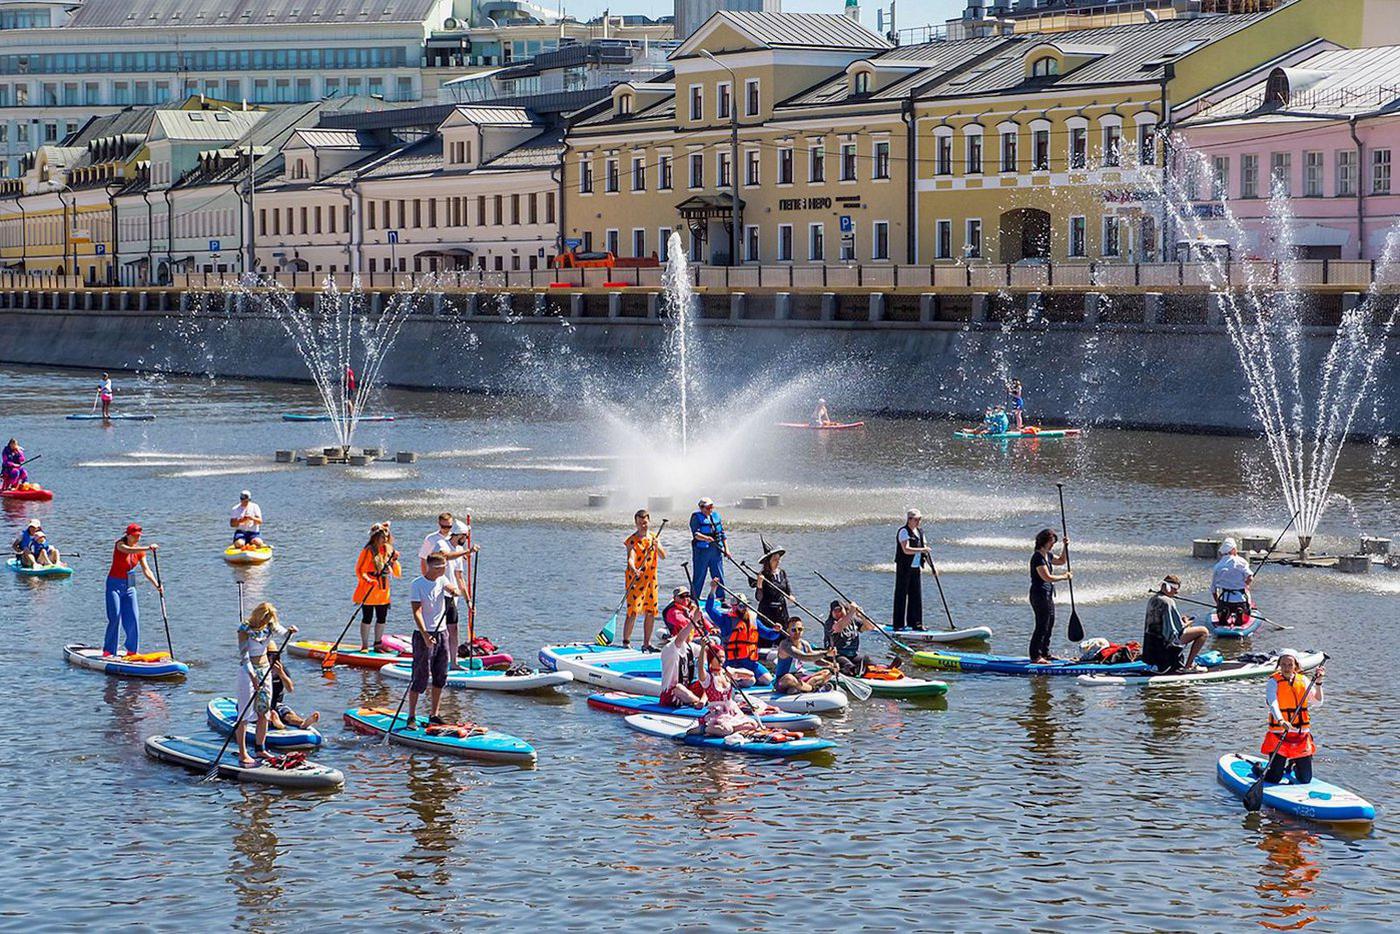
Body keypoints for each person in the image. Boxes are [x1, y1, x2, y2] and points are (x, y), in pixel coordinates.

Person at [405, 553, 460, 729]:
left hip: (441, 632)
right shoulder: (417, 584)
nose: (445, 569)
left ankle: (434, 715)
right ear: (434, 567)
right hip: (424, 635)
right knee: (420, 677)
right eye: (443, 566)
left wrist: (454, 591)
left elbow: (451, 587)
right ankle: (411, 717)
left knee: (440, 675)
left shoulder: (442, 580)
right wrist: (425, 636)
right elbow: (417, 612)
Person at [236, 602, 295, 767]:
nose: (267, 623)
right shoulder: (244, 629)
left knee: (264, 711)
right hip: (248, 671)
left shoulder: (270, 625)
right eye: (265, 619)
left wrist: (290, 631)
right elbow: (244, 656)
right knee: (245, 713)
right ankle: (243, 753)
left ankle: (260, 748)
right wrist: (253, 678)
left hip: (265, 669)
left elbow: (283, 632)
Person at [1261, 649, 1324, 785]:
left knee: (1305, 779)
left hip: (1301, 735)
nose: (1286, 668)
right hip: (1280, 733)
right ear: (1279, 665)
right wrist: (1281, 720)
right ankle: (1262, 770)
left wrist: (1318, 683)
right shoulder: (1273, 681)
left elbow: (1318, 702)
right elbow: (1273, 702)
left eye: (1290, 665)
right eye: (1283, 665)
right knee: (1274, 778)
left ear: (1295, 665)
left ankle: (1293, 764)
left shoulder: (1303, 681)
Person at [704, 580, 778, 686]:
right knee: (750, 681)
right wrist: (713, 590)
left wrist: (776, 630)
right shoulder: (725, 620)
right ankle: (733, 684)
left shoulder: (753, 620)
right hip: (733, 663)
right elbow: (709, 609)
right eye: (739, 606)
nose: (742, 609)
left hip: (750, 662)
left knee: (768, 680)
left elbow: (769, 635)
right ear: (733, 607)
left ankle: (745, 679)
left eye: (744, 606)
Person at [104, 523, 161, 657]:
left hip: (130, 586)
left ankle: (131, 651)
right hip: (114, 584)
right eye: (135, 536)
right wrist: (148, 548)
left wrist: (157, 585)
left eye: (139, 536)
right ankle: (109, 651)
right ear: (128, 535)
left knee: (133, 618)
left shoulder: (140, 551)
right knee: (115, 616)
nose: (137, 539)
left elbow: (147, 570)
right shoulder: (119, 545)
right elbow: (128, 551)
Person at [1142, 575, 1209, 672]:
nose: (1177, 592)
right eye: (1176, 588)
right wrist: (1187, 623)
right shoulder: (1168, 602)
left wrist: (1182, 621)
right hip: (1165, 645)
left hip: (1151, 646)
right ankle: (1188, 666)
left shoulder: (1153, 599)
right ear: (1169, 587)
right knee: (1203, 631)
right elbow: (1176, 629)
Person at [622, 509, 667, 651]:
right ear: (636, 523)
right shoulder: (632, 540)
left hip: (651, 580)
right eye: (640, 523)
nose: (643, 526)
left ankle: (646, 643)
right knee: (633, 611)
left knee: (650, 611)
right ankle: (626, 642)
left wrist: (656, 546)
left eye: (645, 523)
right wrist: (634, 568)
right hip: (635, 580)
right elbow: (631, 557)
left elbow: (663, 556)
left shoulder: (654, 538)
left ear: (649, 522)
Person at [353, 523, 401, 652]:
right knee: (367, 617)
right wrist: (368, 579)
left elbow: (397, 573)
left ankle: (378, 643)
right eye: (382, 537)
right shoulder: (368, 550)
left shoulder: (389, 550)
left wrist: (394, 561)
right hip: (369, 589)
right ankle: (364, 644)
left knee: (382, 617)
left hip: (383, 590)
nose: (384, 540)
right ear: (375, 538)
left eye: (386, 537)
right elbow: (360, 570)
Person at [1028, 527, 1070, 664]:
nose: (1053, 545)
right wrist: (1064, 577)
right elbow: (1046, 577)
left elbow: (1062, 561)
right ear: (1044, 541)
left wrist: (1065, 546)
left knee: (1049, 623)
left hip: (1047, 595)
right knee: (1041, 625)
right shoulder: (1037, 557)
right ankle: (1035, 656)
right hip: (1039, 595)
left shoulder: (1048, 555)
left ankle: (1045, 653)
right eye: (1051, 542)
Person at [438, 521, 475, 668]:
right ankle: (437, 661)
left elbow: (460, 577)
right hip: (440, 594)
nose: (466, 540)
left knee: (454, 629)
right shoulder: (442, 544)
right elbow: (446, 556)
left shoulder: (460, 550)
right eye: (465, 536)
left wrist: (468, 601)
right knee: (440, 629)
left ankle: (453, 662)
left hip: (453, 597)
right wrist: (467, 552)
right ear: (459, 535)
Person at [772, 617, 836, 695]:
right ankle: (812, 688)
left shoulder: (804, 644)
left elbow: (815, 660)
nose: (797, 632)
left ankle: (802, 688)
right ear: (788, 630)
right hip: (783, 681)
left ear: (803, 630)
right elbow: (803, 657)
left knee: (827, 672)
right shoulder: (785, 645)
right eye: (793, 630)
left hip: (800, 678)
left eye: (799, 629)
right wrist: (826, 653)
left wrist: (831, 665)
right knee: (789, 678)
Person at [267, 639, 319, 732]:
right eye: (269, 656)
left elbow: (290, 689)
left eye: (275, 656)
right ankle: (275, 723)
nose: (272, 659)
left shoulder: (282, 670)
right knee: (269, 714)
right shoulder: (258, 670)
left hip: (276, 703)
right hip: (261, 703)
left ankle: (302, 723)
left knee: (288, 714)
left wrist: (281, 673)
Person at [893, 509, 931, 632]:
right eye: (916, 519)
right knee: (901, 595)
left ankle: (916, 624)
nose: (918, 521)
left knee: (916, 596)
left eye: (920, 519)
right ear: (909, 519)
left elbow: (925, 551)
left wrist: (932, 568)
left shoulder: (920, 532)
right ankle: (898, 625)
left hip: (915, 568)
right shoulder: (903, 531)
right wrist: (922, 550)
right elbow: (906, 549)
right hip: (904, 568)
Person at [824, 599, 878, 677]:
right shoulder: (830, 623)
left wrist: (862, 616)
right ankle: (854, 670)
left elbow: (870, 627)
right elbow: (838, 628)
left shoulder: (854, 621)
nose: (837, 613)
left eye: (839, 610)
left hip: (853, 655)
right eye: (834, 611)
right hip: (836, 655)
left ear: (845, 610)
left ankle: (879, 670)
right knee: (846, 664)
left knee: (868, 660)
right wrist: (852, 611)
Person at [658, 614, 703, 708]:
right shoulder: (670, 647)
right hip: (671, 694)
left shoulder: (690, 646)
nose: (691, 633)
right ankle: (698, 701)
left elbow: (705, 651)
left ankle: (704, 701)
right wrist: (694, 620)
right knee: (678, 688)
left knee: (705, 682)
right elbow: (679, 640)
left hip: (687, 689)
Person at [750, 537, 792, 638]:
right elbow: (759, 598)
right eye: (775, 560)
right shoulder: (763, 575)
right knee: (768, 636)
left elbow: (787, 589)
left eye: (779, 559)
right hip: (767, 611)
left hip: (781, 611)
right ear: (768, 562)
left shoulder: (782, 573)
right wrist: (759, 584)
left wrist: (790, 596)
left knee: (784, 635)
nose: (778, 562)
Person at [1212, 538, 1254, 630]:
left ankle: (1224, 613)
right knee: (1245, 618)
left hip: (1224, 600)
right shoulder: (1241, 561)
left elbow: (1213, 590)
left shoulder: (1217, 566)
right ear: (1233, 550)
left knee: (1222, 611)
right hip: (1240, 600)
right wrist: (1247, 584)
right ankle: (1240, 613)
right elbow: (1250, 577)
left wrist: (1218, 603)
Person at [689, 497, 727, 597]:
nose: (707, 510)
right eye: (704, 507)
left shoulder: (716, 516)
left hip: (716, 550)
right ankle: (694, 598)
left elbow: (722, 534)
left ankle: (721, 598)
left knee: (718, 575)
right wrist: (706, 538)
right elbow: (696, 534)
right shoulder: (696, 517)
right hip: (702, 551)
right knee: (699, 575)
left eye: (710, 507)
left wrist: (727, 549)